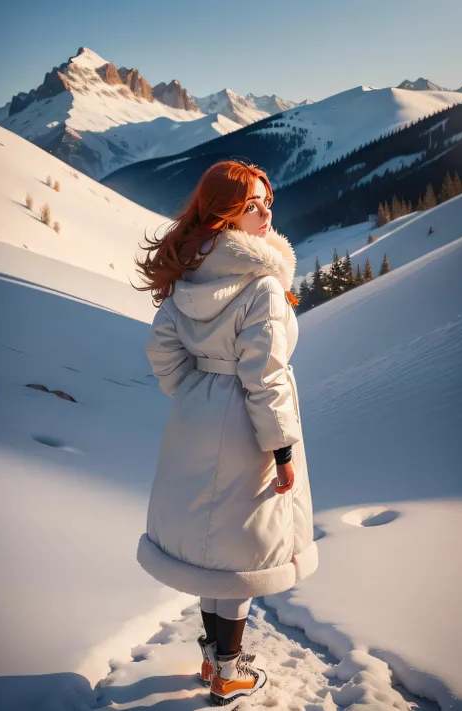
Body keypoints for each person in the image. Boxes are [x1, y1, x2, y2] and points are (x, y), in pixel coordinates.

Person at [134, 160, 318, 706]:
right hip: (248, 426)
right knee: (243, 550)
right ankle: (229, 671)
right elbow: (266, 374)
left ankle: (215, 657)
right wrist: (281, 447)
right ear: (226, 215)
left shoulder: (190, 269)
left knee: (213, 547)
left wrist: (194, 393)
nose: (266, 215)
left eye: (268, 203)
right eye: (253, 206)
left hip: (197, 415)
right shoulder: (261, 284)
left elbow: (162, 350)